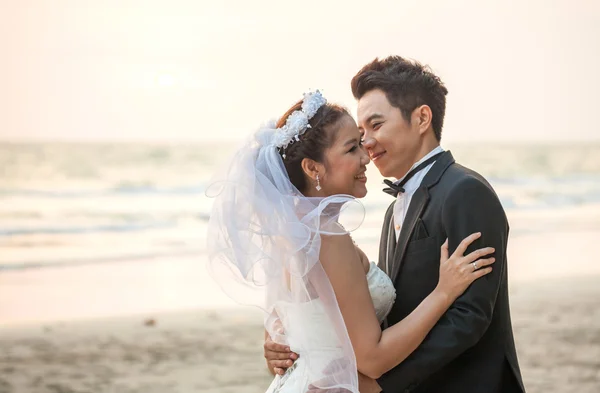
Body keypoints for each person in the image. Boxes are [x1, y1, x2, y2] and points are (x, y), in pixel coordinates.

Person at [265, 57, 526, 393]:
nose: (367, 144)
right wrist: (287, 343)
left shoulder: (465, 191)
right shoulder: (391, 213)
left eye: (376, 126)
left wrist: (383, 384)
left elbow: (470, 317)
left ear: (421, 118)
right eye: (359, 136)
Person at [207, 90, 494, 393]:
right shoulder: (327, 238)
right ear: (312, 168)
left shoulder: (288, 234)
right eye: (351, 148)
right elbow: (372, 359)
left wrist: (277, 349)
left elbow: (290, 336)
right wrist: (444, 292)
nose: (365, 156)